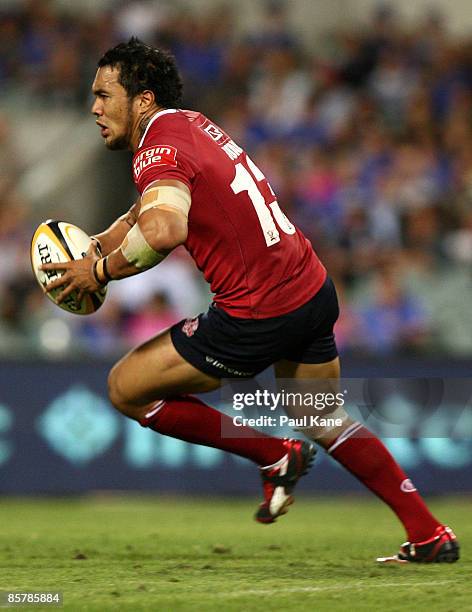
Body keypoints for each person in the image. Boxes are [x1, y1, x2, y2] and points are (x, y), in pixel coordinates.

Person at [41, 38, 458, 563]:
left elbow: (165, 228)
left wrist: (98, 271)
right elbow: (148, 208)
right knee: (322, 416)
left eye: (104, 95)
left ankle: (272, 455)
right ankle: (429, 534)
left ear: (142, 100)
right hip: (309, 286)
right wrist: (98, 243)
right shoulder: (188, 124)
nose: (94, 108)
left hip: (258, 311)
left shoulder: (156, 149)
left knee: (126, 388)